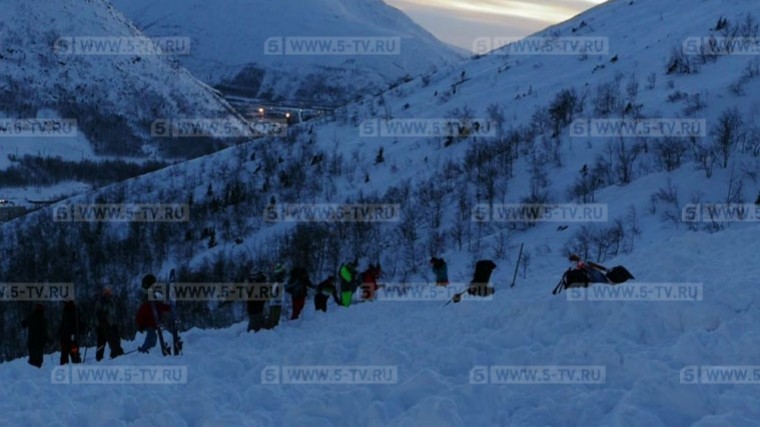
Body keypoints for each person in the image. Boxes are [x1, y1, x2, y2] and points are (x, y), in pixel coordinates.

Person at [136, 274, 171, 353]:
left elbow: (161, 306)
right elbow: (140, 314)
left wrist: (170, 307)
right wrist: (141, 325)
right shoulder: (147, 303)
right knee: (152, 337)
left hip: (154, 322)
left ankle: (147, 350)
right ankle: (144, 350)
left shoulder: (155, 300)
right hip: (149, 324)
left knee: (153, 338)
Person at [94, 287, 124, 361]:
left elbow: (114, 312)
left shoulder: (112, 301)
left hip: (112, 324)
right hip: (102, 325)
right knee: (101, 343)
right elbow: (97, 314)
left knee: (116, 339)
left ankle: (115, 353)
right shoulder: (100, 302)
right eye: (107, 292)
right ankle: (99, 358)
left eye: (109, 292)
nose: (108, 294)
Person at [21, 304, 48, 368]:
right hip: (39, 343)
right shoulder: (44, 320)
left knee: (32, 360)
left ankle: (32, 373)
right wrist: (48, 340)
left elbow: (23, 324)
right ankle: (36, 374)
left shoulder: (31, 317)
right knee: (38, 361)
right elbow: (45, 333)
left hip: (31, 342)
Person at [59, 299, 82, 365]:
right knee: (66, 354)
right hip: (66, 336)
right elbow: (63, 323)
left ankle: (76, 363)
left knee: (72, 353)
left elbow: (78, 322)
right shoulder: (66, 309)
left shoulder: (73, 310)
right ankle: (66, 367)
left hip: (71, 336)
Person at [265, 263, 286, 329]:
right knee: (272, 318)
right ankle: (269, 329)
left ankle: (275, 329)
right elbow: (271, 291)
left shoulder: (281, 279)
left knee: (276, 318)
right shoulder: (274, 278)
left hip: (278, 300)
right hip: (273, 301)